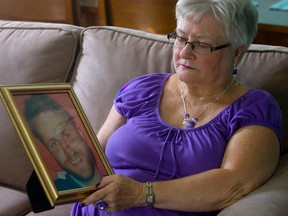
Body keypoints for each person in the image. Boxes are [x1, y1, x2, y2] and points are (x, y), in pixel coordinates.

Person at [71, 0, 282, 215]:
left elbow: (234, 183)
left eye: (201, 44)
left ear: (236, 53)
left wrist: (140, 193)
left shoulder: (253, 108)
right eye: (181, 38)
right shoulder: (141, 89)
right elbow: (92, 158)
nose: (184, 53)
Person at [24, 94, 101, 191]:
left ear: (79, 131)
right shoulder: (57, 192)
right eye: (54, 144)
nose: (69, 153)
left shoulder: (116, 166)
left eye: (67, 135)